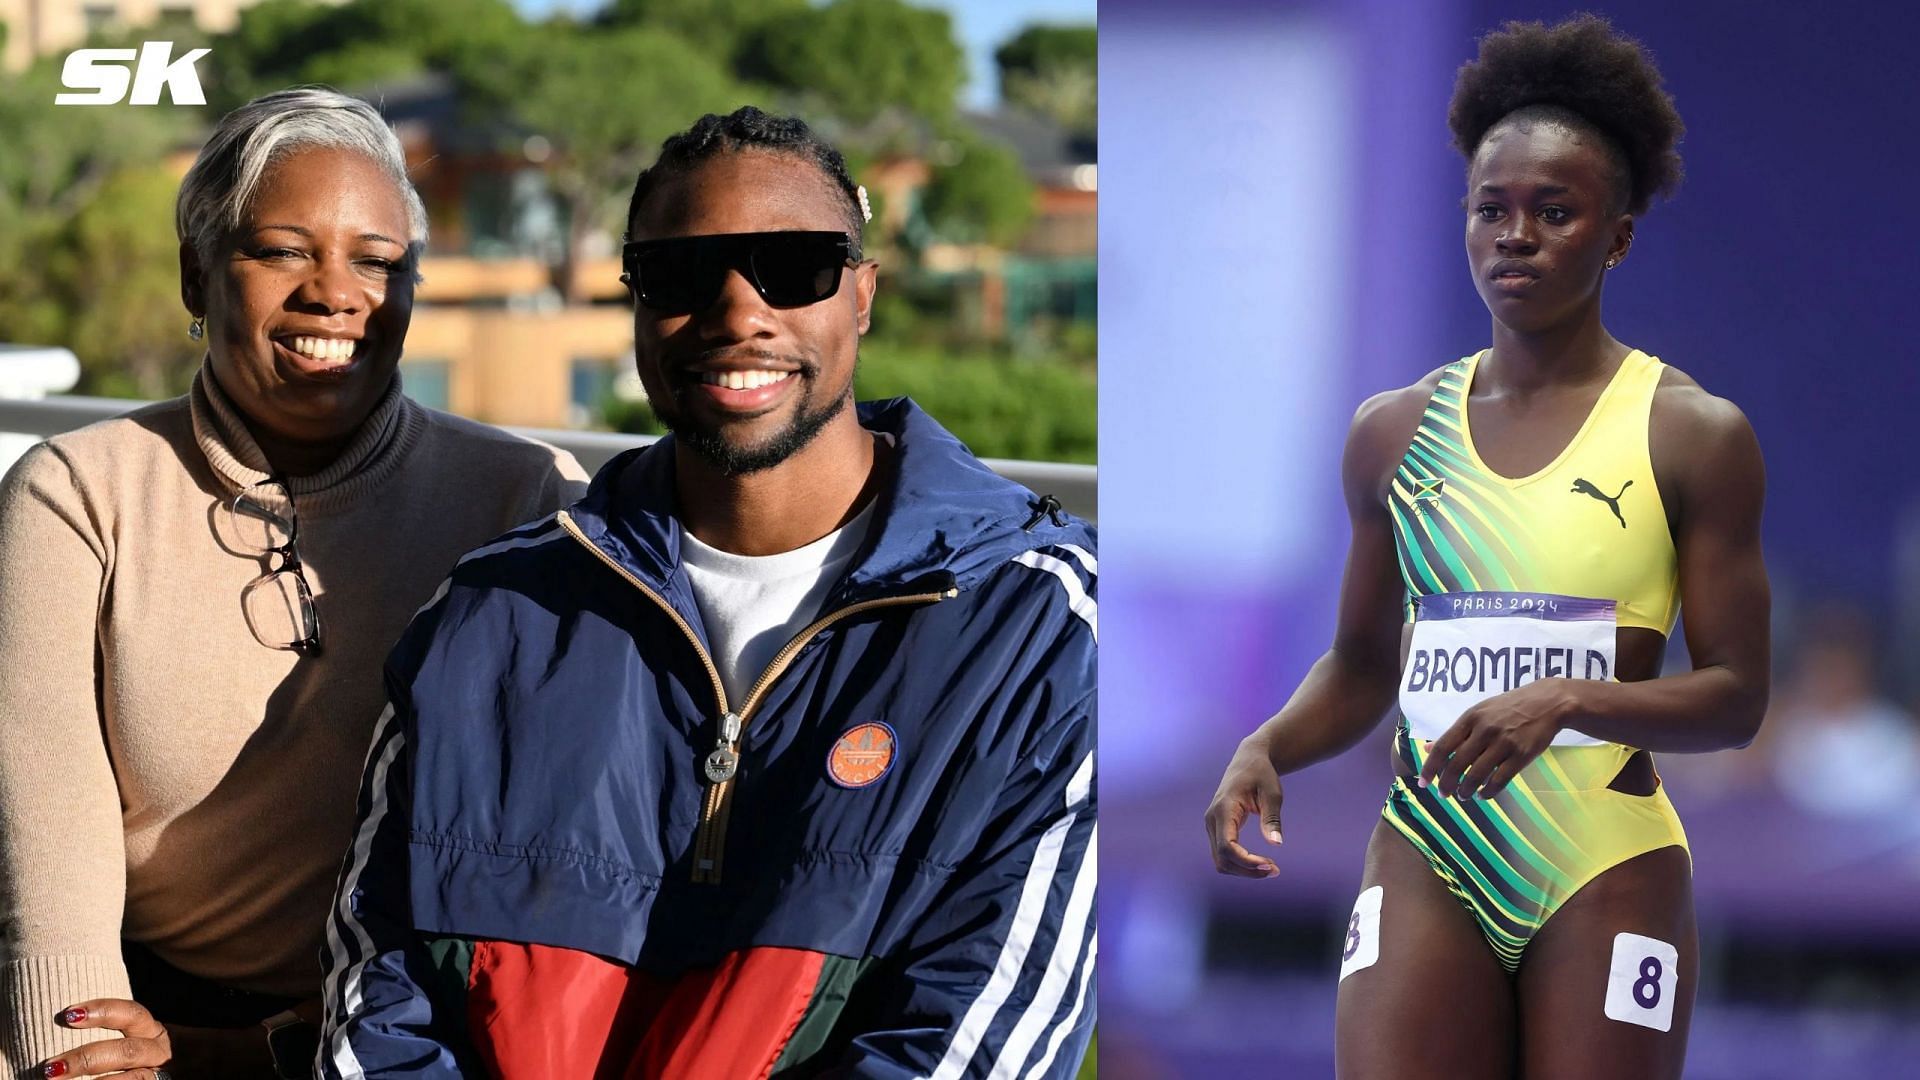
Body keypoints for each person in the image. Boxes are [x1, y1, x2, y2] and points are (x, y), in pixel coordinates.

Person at [319, 107, 1097, 1078]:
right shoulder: (486, 620)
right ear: (636, 304)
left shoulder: (1043, 632)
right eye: (684, 275)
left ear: (861, 293)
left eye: (795, 266)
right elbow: (378, 1008)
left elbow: (969, 1050)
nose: (738, 312)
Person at [1202, 16, 1768, 1079]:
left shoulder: (1690, 433)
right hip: (1427, 850)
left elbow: (1737, 698)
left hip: (1604, 862)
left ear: (1618, 237)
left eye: (1555, 212)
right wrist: (1267, 746)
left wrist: (1564, 700)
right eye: (1491, 210)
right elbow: (1367, 666)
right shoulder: (1393, 433)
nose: (1517, 236)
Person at [0, 87, 587, 1078]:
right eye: (282, 250)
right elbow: (51, 871)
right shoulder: (77, 495)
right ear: (199, 276)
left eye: (375, 259)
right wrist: (90, 1052)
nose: (333, 290)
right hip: (145, 1009)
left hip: (415, 1027)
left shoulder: (523, 498)